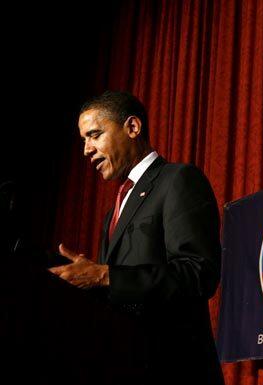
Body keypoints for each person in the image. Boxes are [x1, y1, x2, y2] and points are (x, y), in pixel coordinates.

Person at [49, 91, 224, 385]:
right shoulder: (112, 213)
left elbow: (198, 273)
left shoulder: (178, 180)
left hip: (175, 369)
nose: (86, 150)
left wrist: (105, 276)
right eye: (83, 140)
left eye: (94, 135)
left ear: (132, 128)